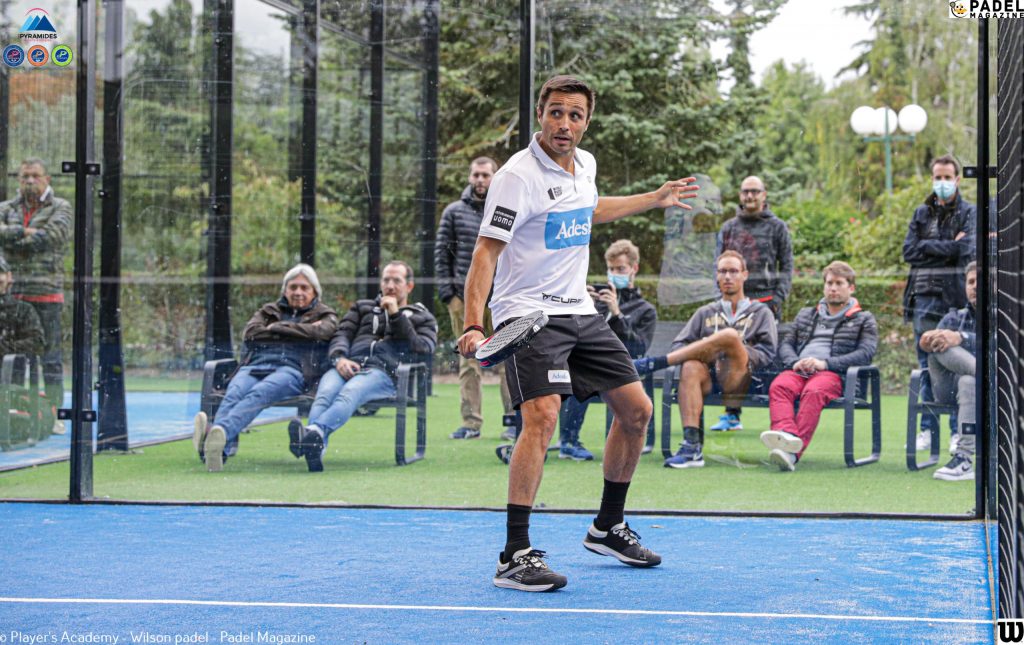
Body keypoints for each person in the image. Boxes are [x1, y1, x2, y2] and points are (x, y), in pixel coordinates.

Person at [457, 74, 699, 592]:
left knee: (637, 412)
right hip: (529, 313)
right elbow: (486, 253)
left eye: (576, 115)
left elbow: (589, 208)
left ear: (587, 121)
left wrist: (653, 198)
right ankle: (514, 554)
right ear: (540, 114)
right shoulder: (516, 177)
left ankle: (607, 526)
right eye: (556, 112)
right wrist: (474, 324)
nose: (565, 124)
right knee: (542, 418)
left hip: (579, 309)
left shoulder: (584, 164)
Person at [289, 261, 437, 472]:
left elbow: (423, 348)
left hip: (384, 373)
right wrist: (339, 358)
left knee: (350, 392)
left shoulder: (422, 316)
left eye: (397, 280)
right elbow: (342, 334)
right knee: (325, 392)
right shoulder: (362, 307)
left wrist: (396, 316)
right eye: (386, 280)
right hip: (348, 365)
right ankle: (316, 446)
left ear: (409, 286)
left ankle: (313, 434)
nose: (390, 285)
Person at [192, 264, 338, 472]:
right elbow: (251, 333)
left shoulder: (325, 314)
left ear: (315, 291)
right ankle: (218, 451)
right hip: (256, 365)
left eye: (304, 288)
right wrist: (301, 331)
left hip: (292, 370)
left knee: (258, 393)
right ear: (285, 290)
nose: (298, 292)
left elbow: (324, 332)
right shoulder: (269, 310)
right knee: (234, 392)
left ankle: (216, 434)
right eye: (293, 287)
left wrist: (277, 328)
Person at [653, 250, 776, 468]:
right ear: (716, 276)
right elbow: (679, 344)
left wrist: (734, 347)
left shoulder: (761, 312)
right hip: (710, 379)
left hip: (744, 381)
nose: (727, 276)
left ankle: (660, 362)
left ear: (745, 275)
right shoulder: (705, 312)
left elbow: (768, 353)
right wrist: (705, 352)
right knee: (690, 365)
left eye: (733, 271)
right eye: (722, 271)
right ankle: (691, 447)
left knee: (729, 337)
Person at [759, 261, 878, 471]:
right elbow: (786, 344)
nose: (833, 288)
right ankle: (787, 435)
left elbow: (866, 353)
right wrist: (795, 362)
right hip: (800, 370)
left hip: (833, 374)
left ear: (851, 288)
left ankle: (792, 453)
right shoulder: (806, 314)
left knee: (814, 391)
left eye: (839, 283)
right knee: (779, 386)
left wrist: (825, 363)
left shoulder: (863, 319)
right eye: (829, 283)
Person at [435, 157, 513, 440]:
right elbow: (441, 255)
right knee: (468, 361)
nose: (481, 179)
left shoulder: (505, 209)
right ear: (470, 177)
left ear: (494, 177)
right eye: (476, 175)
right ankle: (471, 423)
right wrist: (449, 295)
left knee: (508, 360)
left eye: (486, 175)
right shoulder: (454, 212)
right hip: (464, 300)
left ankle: (512, 421)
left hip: (501, 298)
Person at [902, 154, 976, 452]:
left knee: (955, 366)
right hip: (923, 299)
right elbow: (909, 251)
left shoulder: (969, 212)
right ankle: (927, 431)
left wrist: (927, 247)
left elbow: (967, 248)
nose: (942, 183)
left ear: (957, 179)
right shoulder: (922, 212)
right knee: (926, 365)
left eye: (947, 177)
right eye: (938, 177)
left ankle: (957, 432)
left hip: (954, 299)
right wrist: (948, 247)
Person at [558, 239, 656, 461]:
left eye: (620, 269)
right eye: (611, 269)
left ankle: (569, 440)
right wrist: (582, 307)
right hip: (592, 365)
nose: (614, 274)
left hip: (624, 369)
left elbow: (639, 348)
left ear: (634, 269)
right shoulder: (595, 305)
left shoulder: (646, 310)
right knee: (578, 368)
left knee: (587, 374)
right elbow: (576, 338)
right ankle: (568, 441)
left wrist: (618, 314)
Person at [0, 158, 73, 422]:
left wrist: (15, 236)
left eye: (35, 175)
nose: (29, 181)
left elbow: (52, 237)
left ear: (46, 179)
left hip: (47, 293)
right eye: (24, 176)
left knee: (50, 357)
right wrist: (27, 231)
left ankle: (53, 415)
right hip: (14, 295)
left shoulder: (61, 207)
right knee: (14, 356)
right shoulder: (8, 207)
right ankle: (16, 412)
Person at [919, 261, 977, 482]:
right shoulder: (954, 318)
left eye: (980, 282)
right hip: (947, 389)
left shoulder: (1005, 316)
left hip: (978, 391)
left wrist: (962, 338)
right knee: (938, 346)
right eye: (970, 282)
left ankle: (963, 458)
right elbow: (933, 347)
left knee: (968, 383)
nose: (974, 287)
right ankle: (985, 378)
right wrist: (927, 341)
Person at [716, 175, 793, 320]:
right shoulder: (728, 227)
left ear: (764, 195)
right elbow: (716, 265)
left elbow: (787, 265)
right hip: (731, 303)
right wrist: (719, 297)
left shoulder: (778, 227)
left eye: (754, 191)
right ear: (740, 195)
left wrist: (777, 300)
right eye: (745, 192)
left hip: (766, 303)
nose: (749, 196)